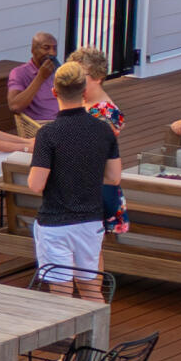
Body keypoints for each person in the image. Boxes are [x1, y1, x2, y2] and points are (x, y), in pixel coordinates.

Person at [27, 62, 120, 300]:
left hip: (56, 223)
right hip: (90, 222)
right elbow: (113, 176)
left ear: (54, 92)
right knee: (91, 289)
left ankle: (68, 338)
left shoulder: (48, 134)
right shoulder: (104, 130)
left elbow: (36, 184)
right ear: (84, 91)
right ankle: (96, 337)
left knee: (61, 296)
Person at [70, 47, 127, 233]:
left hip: (96, 188)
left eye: (81, 75)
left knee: (93, 251)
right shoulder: (81, 103)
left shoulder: (107, 113)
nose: (76, 81)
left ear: (98, 76)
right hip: (78, 184)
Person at [6, 33, 62, 126]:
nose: (52, 53)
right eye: (46, 48)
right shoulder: (19, 73)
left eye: (54, 48)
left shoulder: (58, 70)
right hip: (43, 126)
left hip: (65, 121)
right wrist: (40, 77)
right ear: (33, 50)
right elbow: (14, 106)